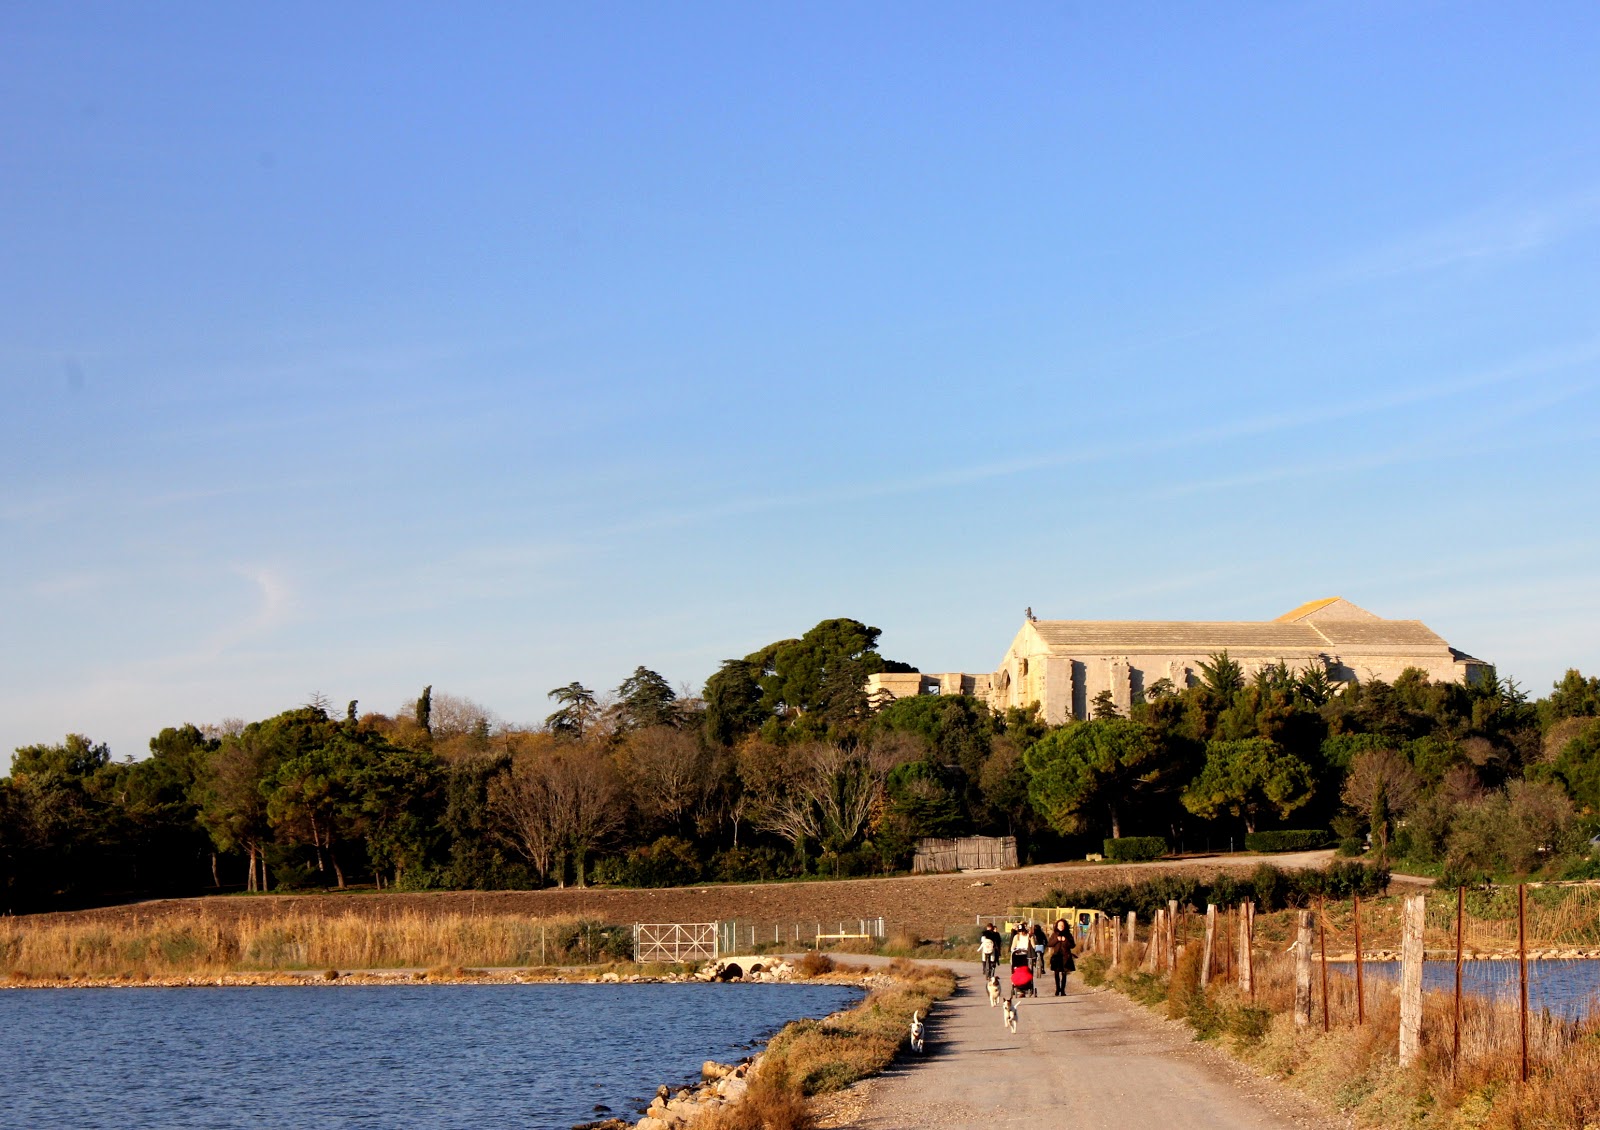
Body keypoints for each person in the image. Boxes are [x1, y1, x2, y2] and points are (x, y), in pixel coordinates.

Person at [1047, 917, 1076, 996]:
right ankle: (1057, 989)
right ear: (1057, 926)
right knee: (1056, 973)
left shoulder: (1068, 935)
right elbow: (1049, 944)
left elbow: (1072, 945)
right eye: (1059, 925)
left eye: (1062, 925)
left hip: (1065, 956)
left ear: (1065, 926)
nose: (1061, 927)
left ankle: (1063, 990)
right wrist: (1057, 939)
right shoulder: (1054, 934)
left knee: (1064, 973)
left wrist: (1065, 940)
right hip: (1057, 956)